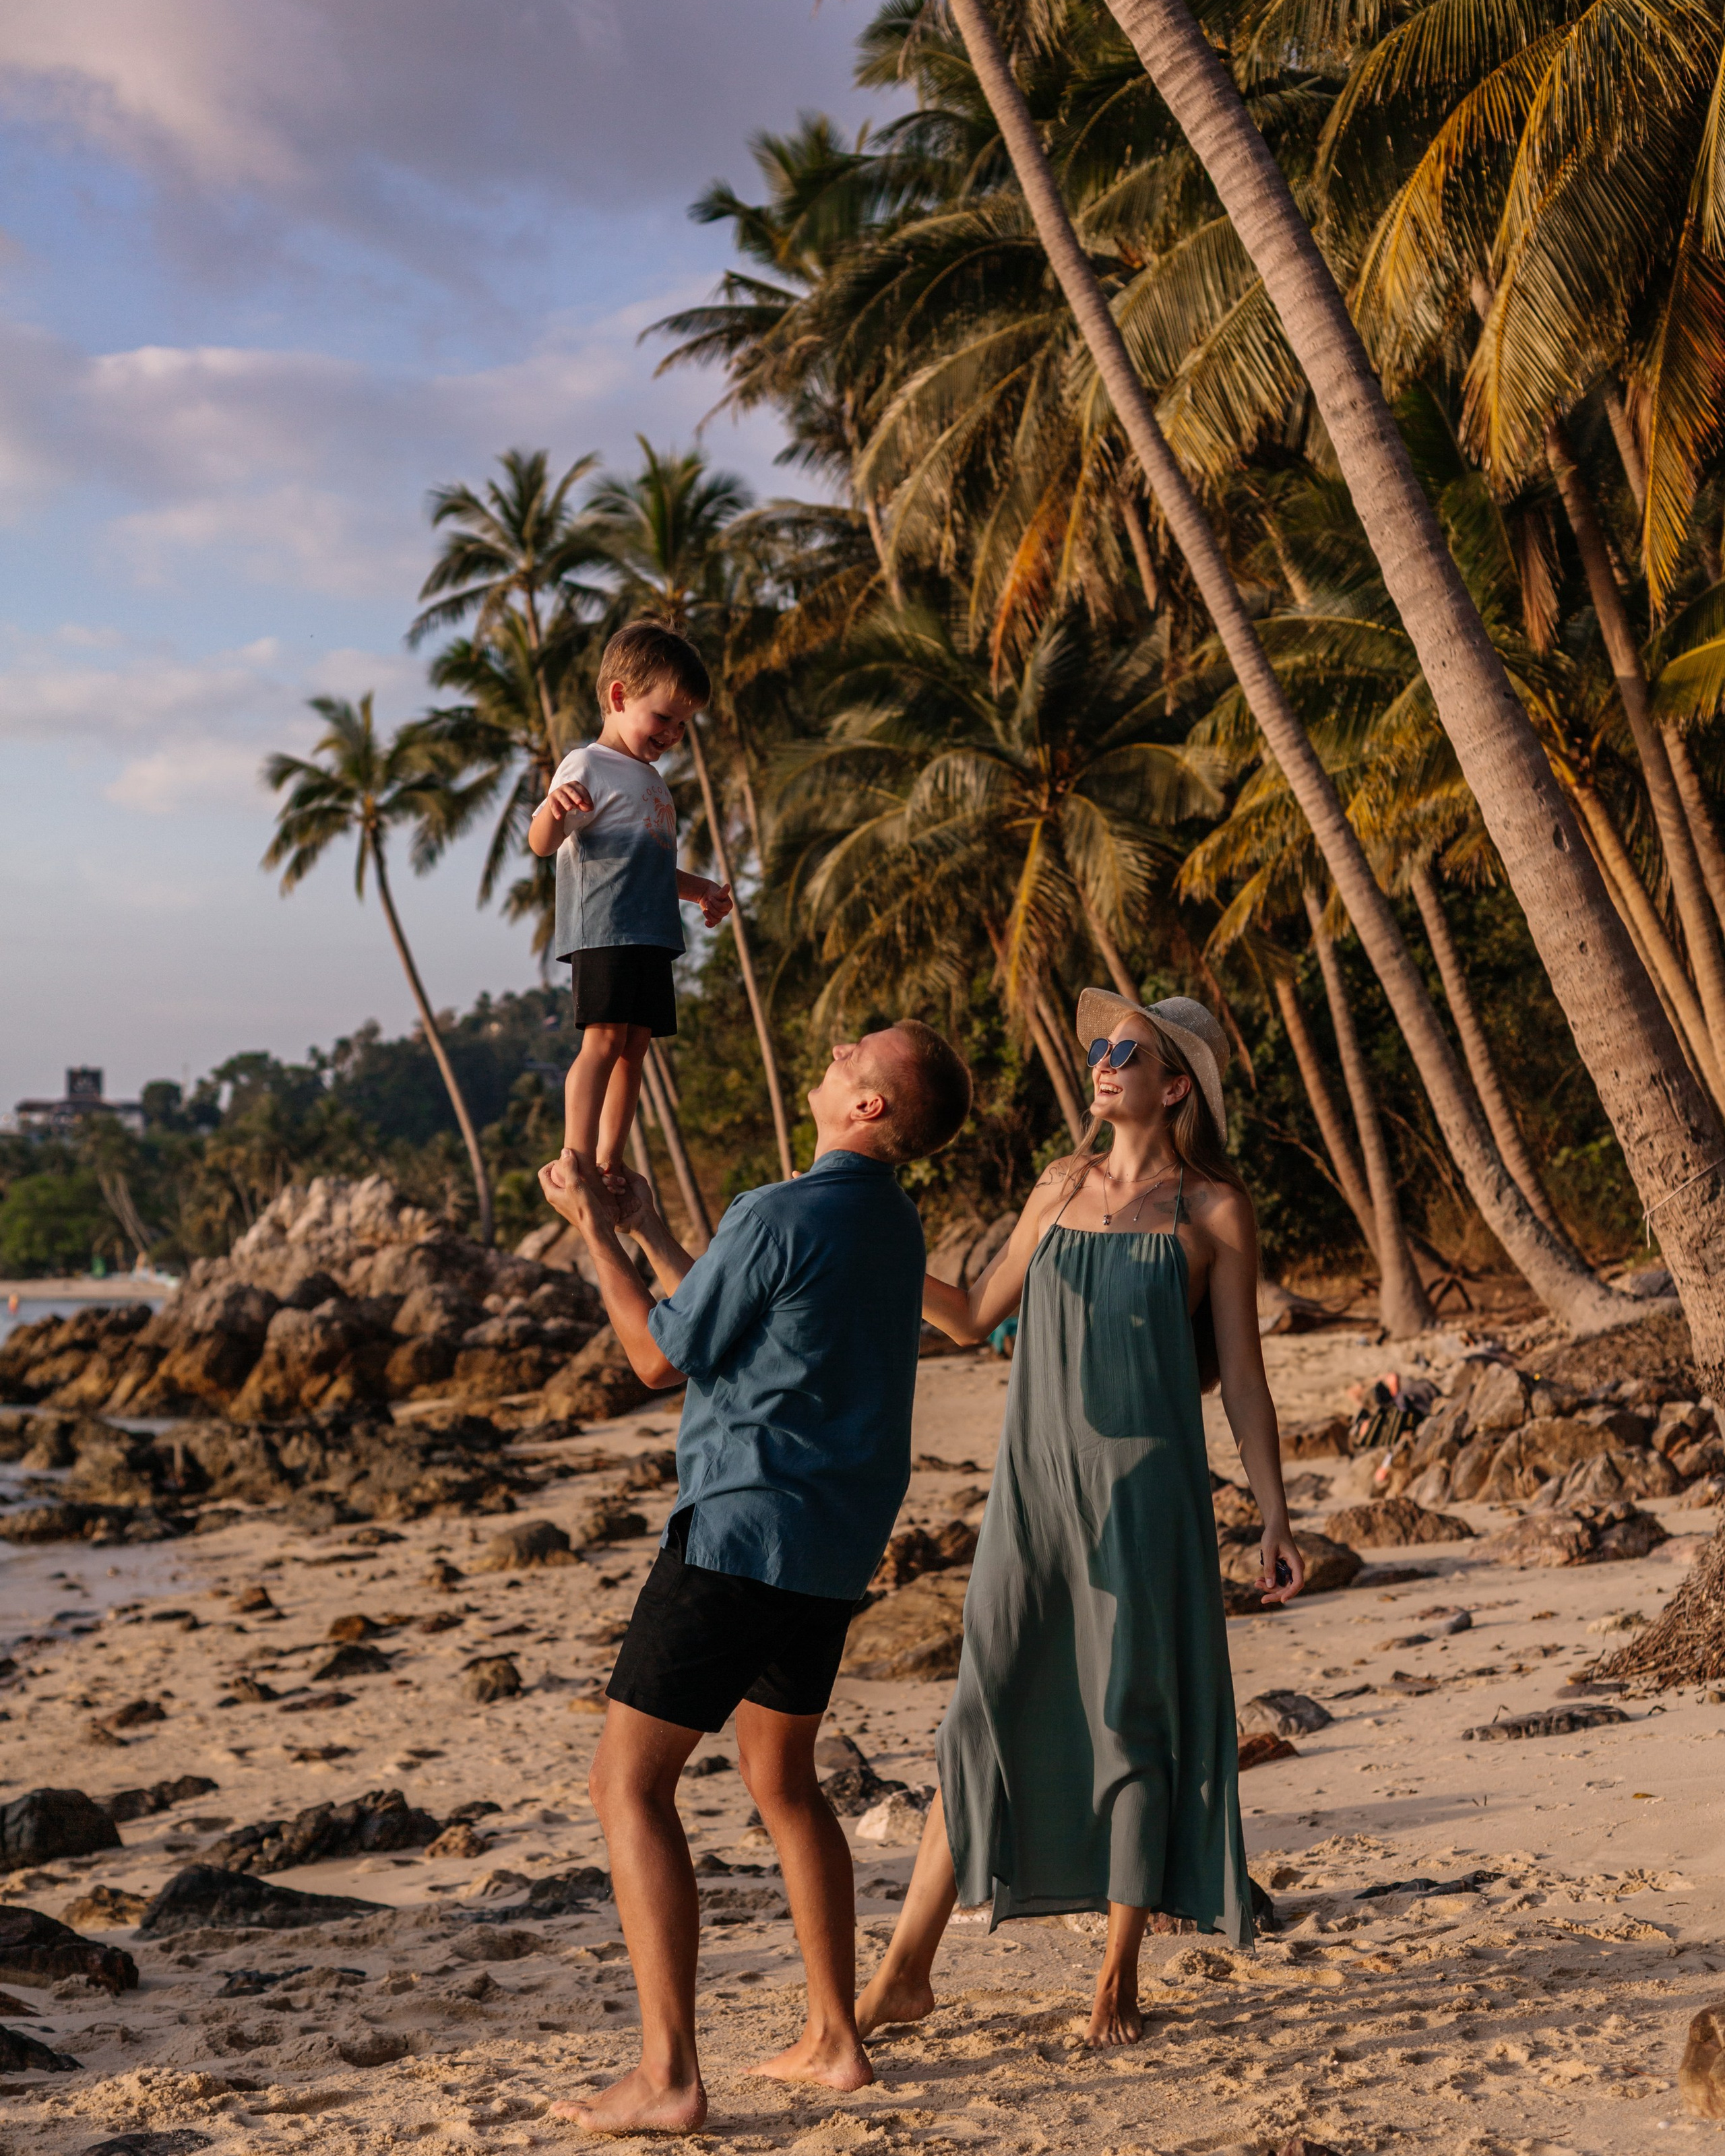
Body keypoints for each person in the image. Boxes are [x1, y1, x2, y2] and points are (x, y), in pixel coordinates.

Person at [534, 1020, 973, 2135]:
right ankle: (836, 2038)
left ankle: (669, 2074)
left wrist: (594, 1234)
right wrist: (653, 1231)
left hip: (736, 1533)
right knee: (784, 1783)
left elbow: (655, 1357)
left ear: (871, 1109)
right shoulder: (884, 1221)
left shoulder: (780, 1211)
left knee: (626, 1787)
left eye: (847, 1060)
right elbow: (739, 1329)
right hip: (826, 1550)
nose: (826, 1062)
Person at [856, 989, 1302, 2052]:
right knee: (981, 1710)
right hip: (1032, 1494)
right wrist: (868, 1247)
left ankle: (1118, 1969)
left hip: (1145, 1498)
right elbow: (970, 1319)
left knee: (1129, 1716)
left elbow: (1241, 1378)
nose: (1102, 1061)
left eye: (1128, 1051)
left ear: (1176, 1084)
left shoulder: (1212, 1211)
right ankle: (904, 1972)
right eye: (1099, 1047)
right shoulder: (1058, 1188)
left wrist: (1276, 1515)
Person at [527, 619, 733, 1189]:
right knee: (605, 1038)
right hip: (605, 928)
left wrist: (702, 893)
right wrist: (553, 808)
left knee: (636, 1046)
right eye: (664, 717)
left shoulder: (650, 782)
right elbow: (543, 844)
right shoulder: (587, 765)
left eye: (684, 725)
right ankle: (575, 1155)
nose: (673, 734)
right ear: (619, 697)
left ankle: (610, 1160)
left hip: (649, 930)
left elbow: (652, 866)